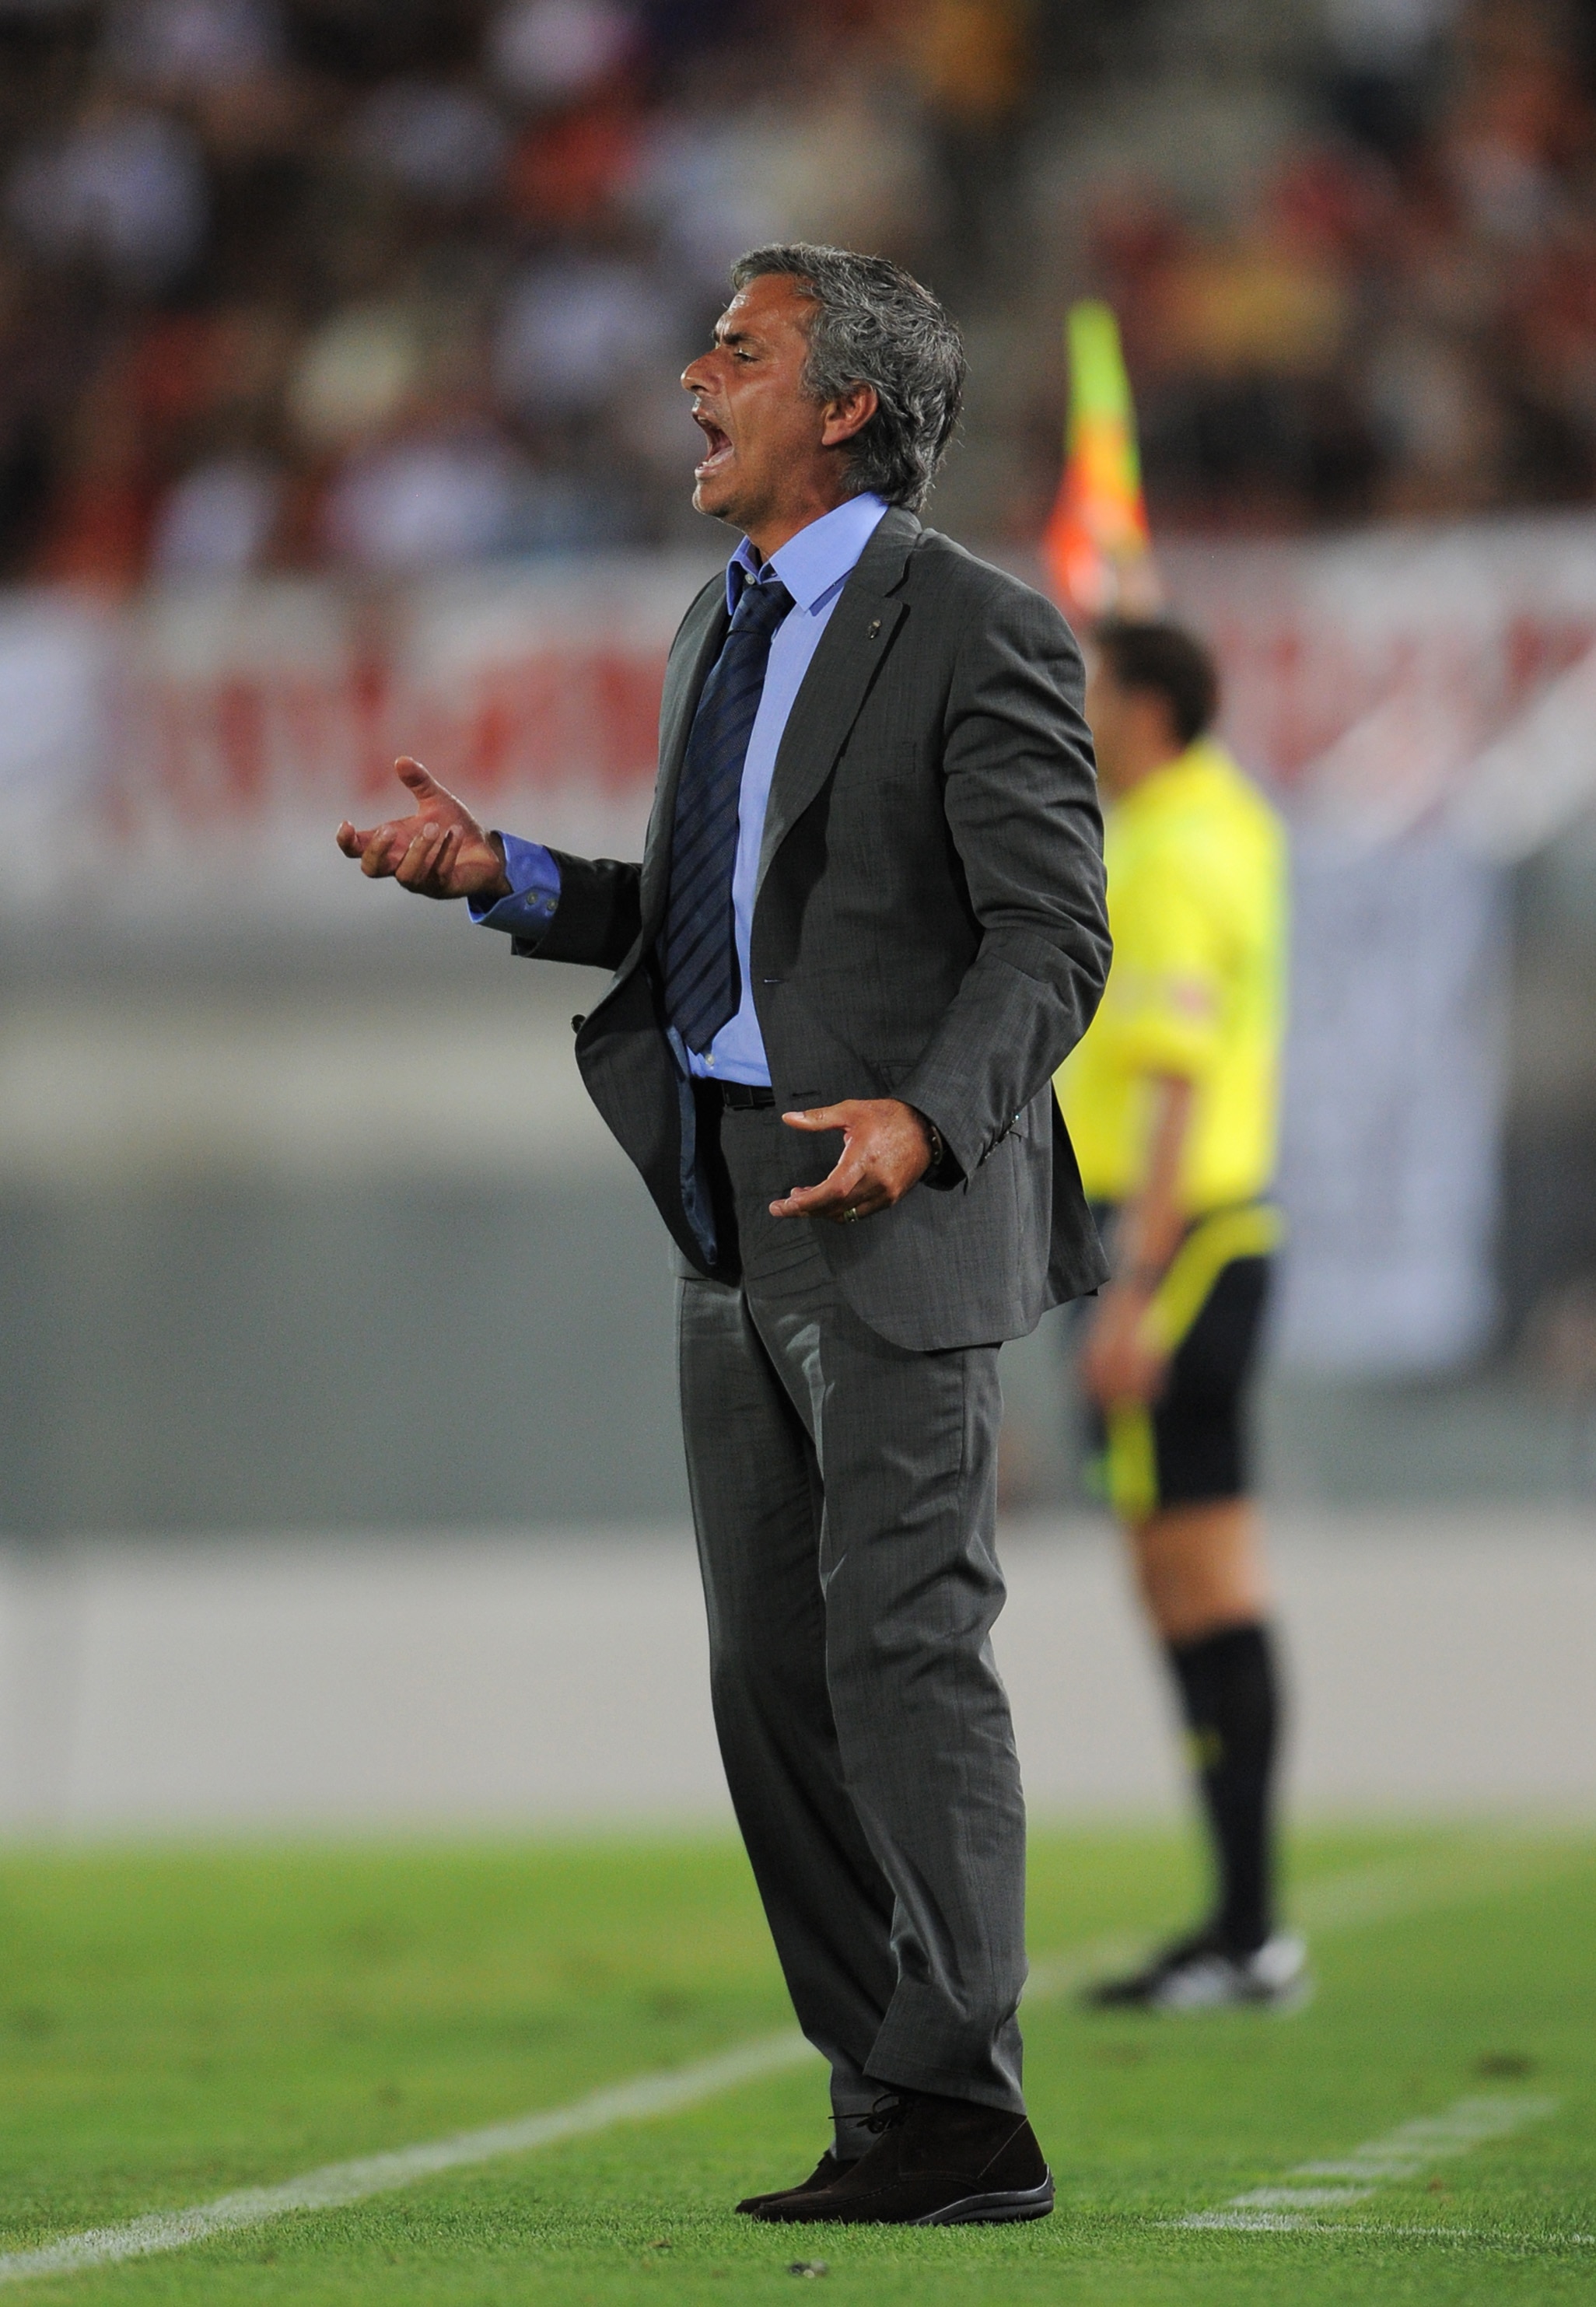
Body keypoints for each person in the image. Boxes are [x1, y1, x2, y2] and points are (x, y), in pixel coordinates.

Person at [335, 245, 1111, 2223]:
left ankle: (967, 2109)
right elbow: (697, 922)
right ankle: (887, 2100)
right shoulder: (723, 621)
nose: (690, 373)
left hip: (892, 1201)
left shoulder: (977, 629)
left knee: (906, 1649)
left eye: (738, 352)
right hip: (729, 1199)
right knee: (773, 1675)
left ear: (843, 405)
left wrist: (929, 1122)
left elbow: (1052, 934)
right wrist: (505, 873)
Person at [1054, 618, 1304, 2012]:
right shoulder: (1219, 822)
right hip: (1201, 1236)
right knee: (1187, 1575)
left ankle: (1248, 1926)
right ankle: (1243, 1920)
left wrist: (1135, 1287)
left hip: (1179, 1239)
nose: (1081, 718)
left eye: (1097, 693)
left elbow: (1173, 1082)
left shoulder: (1174, 857)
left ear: (1146, 709)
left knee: (1197, 1574)